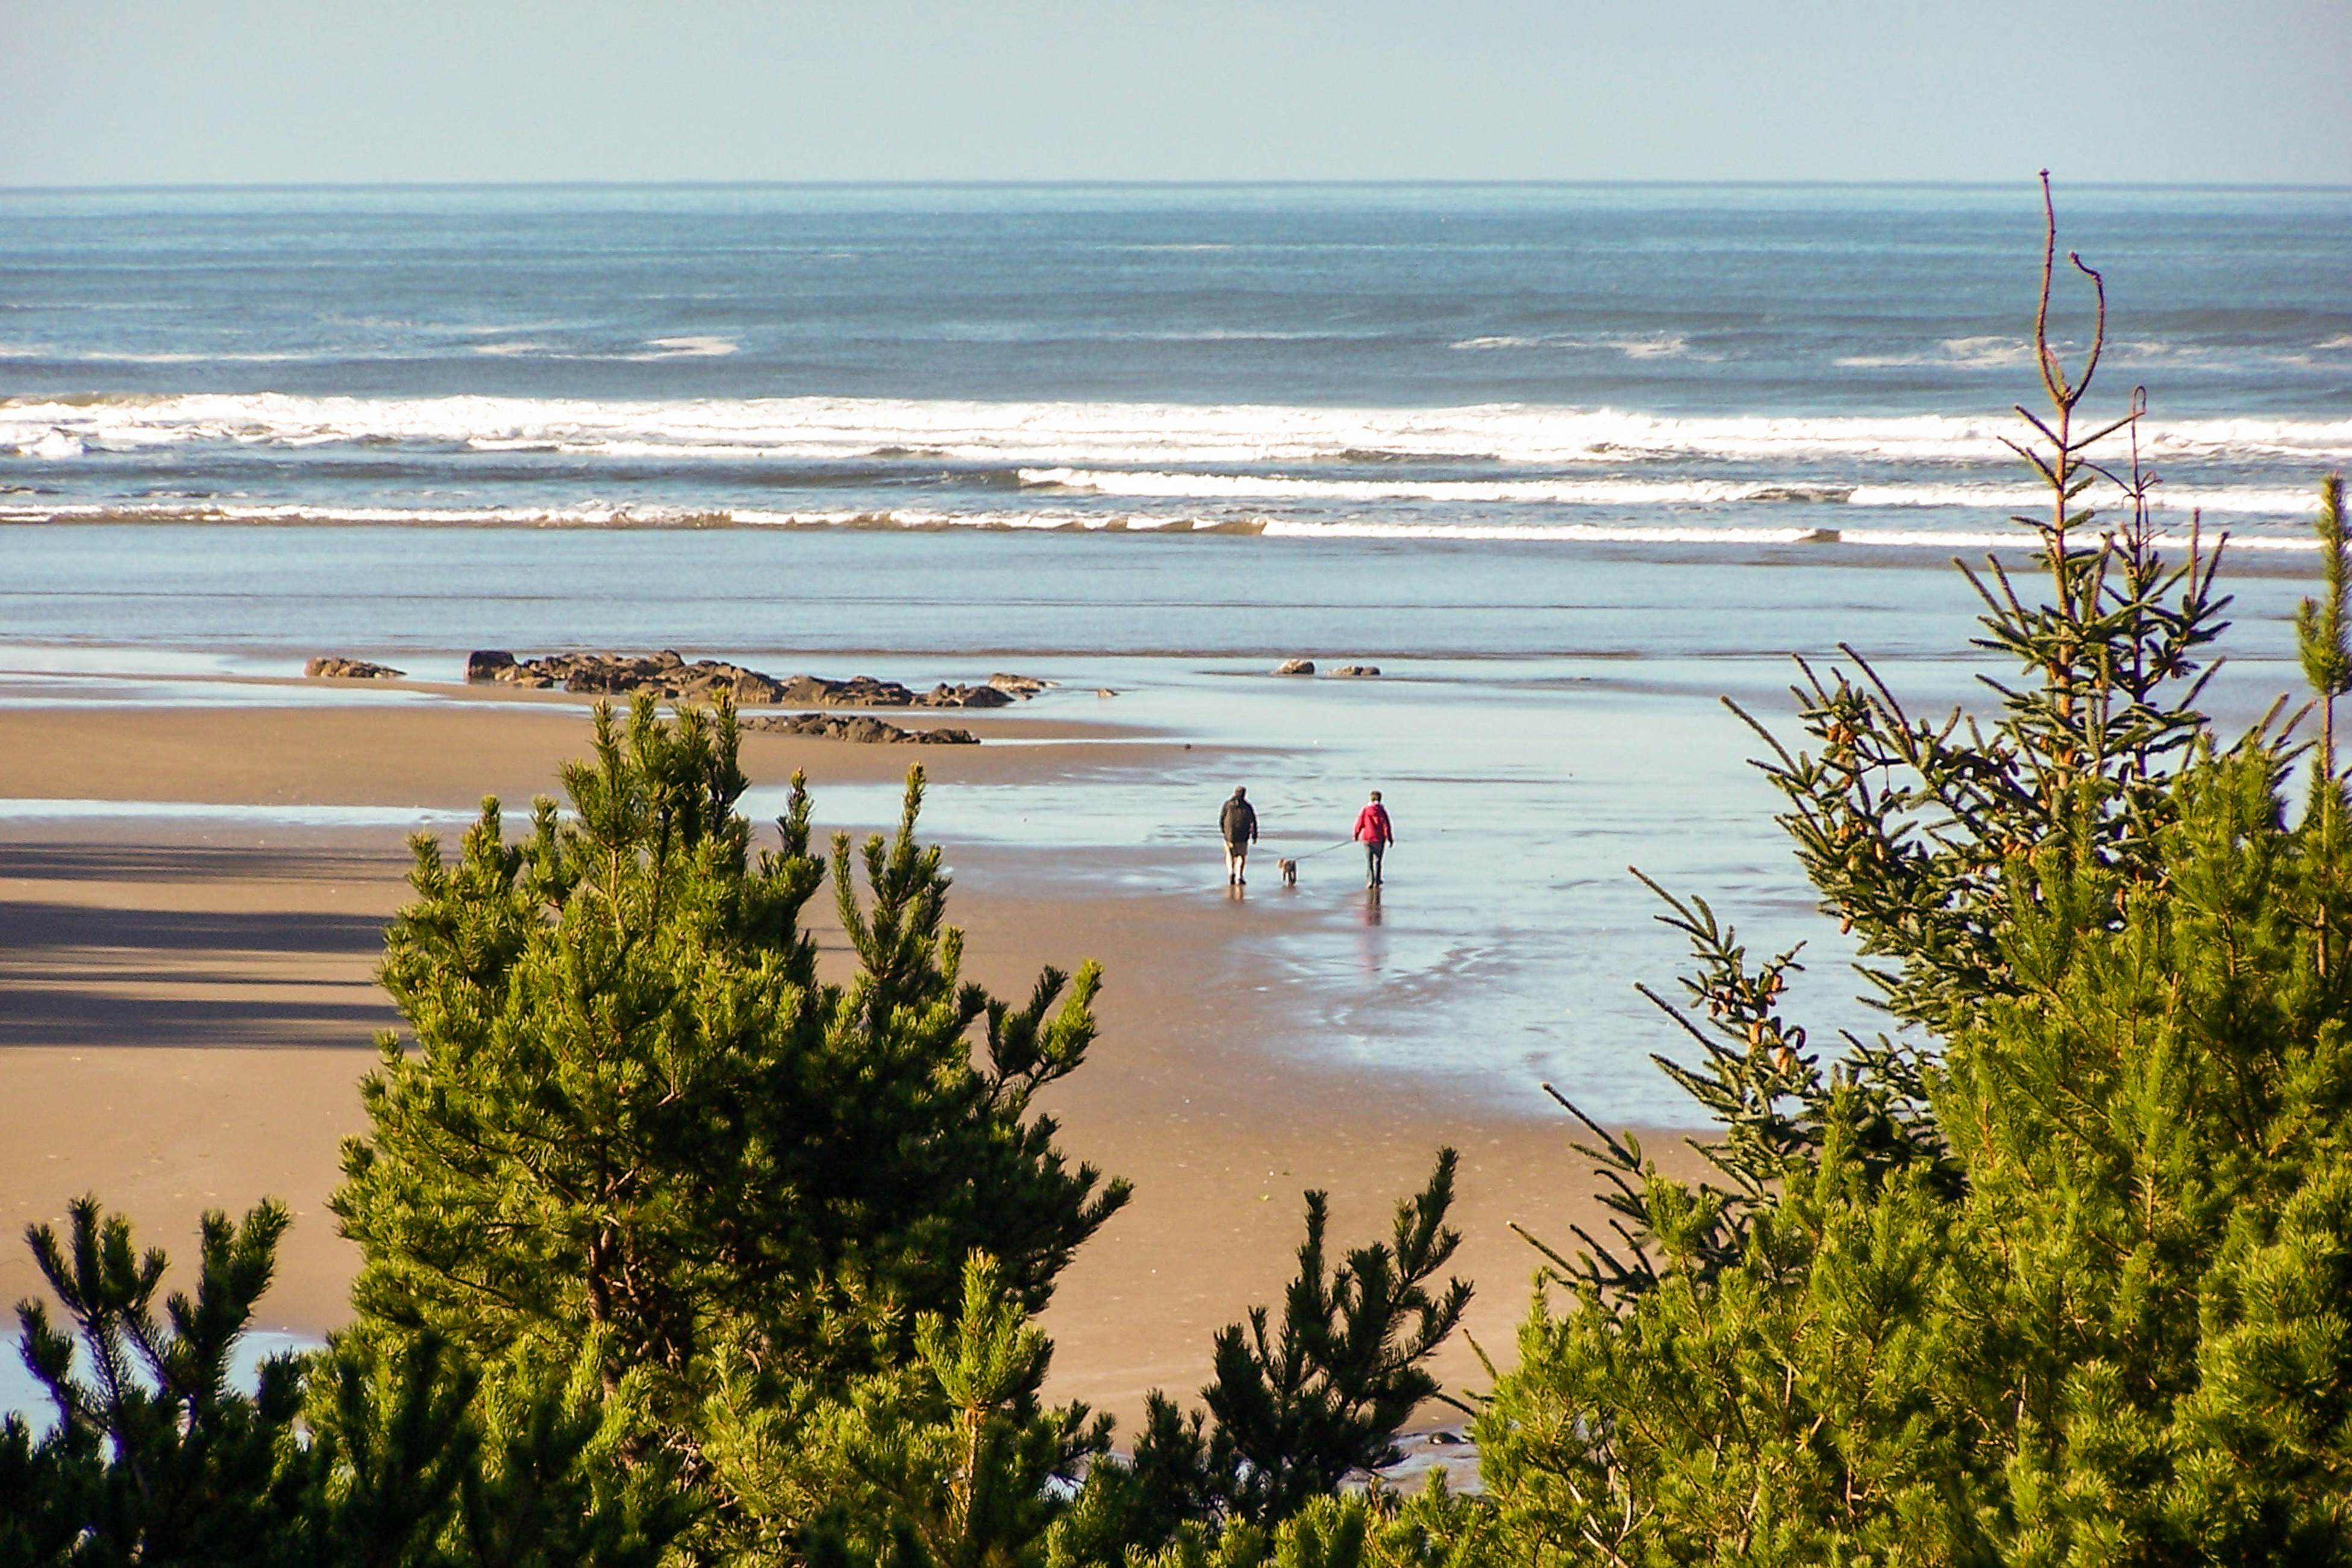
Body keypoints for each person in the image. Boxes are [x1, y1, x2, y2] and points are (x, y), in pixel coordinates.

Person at [1353, 789, 1395, 887]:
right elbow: (1386, 826)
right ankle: (1378, 880)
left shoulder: (1366, 810)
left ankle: (1370, 880)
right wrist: (1390, 838)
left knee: (1369, 861)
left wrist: (1356, 834)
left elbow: (1360, 823)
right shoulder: (1382, 811)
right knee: (1378, 861)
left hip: (1367, 838)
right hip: (1379, 839)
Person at [1220, 786, 1259, 884]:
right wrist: (1254, 835)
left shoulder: (1227, 804)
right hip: (1243, 835)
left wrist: (1224, 831)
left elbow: (1221, 819)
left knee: (1230, 855)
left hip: (1230, 835)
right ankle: (1239, 876)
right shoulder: (1248, 806)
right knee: (1241, 856)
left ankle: (1231, 872)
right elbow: (1253, 821)